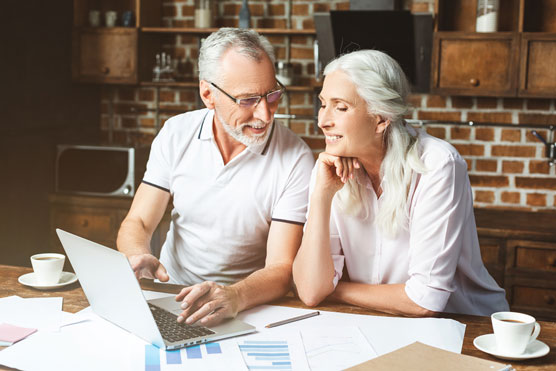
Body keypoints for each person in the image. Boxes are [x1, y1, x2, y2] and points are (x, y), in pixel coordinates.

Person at [117, 28, 314, 326]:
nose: (264, 114)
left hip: (244, 305)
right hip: (171, 294)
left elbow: (282, 268)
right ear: (208, 94)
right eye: (247, 100)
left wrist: (234, 296)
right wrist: (136, 254)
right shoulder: (176, 133)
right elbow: (138, 222)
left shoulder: (295, 158)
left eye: (272, 95)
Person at [292, 50, 509, 317]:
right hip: (386, 321)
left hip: (465, 325)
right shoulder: (330, 169)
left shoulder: (438, 165)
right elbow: (311, 292)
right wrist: (321, 197)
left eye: (341, 107)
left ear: (381, 118)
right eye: (323, 104)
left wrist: (336, 289)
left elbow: (424, 301)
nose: (323, 121)